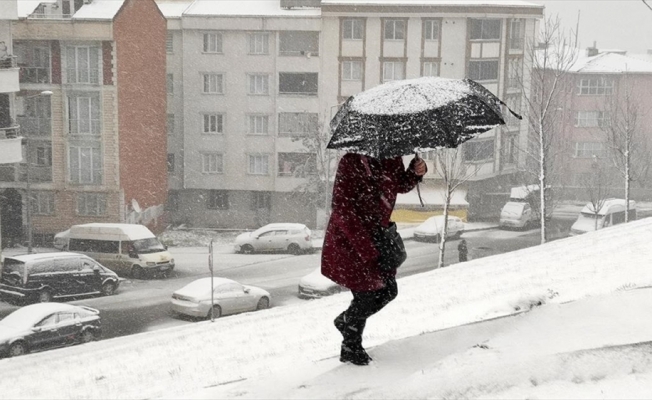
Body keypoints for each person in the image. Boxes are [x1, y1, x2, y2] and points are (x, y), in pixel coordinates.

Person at [321, 153, 427, 365]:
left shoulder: (391, 157)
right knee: (366, 295)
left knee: (388, 291)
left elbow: (397, 185)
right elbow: (343, 209)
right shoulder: (351, 160)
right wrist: (367, 248)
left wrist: (414, 174)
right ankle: (351, 348)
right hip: (351, 240)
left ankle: (346, 322)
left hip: (378, 236)